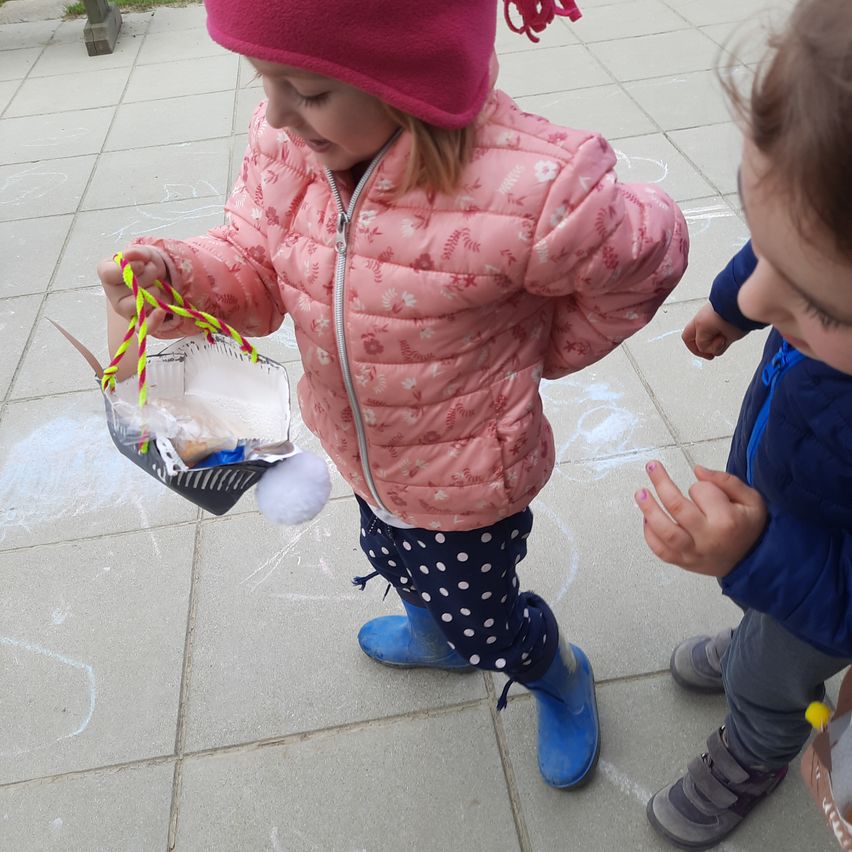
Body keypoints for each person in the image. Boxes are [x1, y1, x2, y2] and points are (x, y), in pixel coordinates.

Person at [99, 0, 687, 789]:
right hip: (364, 449)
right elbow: (253, 259)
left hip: (470, 478)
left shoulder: (538, 190)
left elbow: (648, 259)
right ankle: (431, 633)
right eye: (262, 80)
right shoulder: (286, 144)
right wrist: (179, 277)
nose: (273, 111)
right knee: (388, 550)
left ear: (409, 79)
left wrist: (543, 351)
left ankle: (554, 671)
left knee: (484, 613)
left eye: (306, 92)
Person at [634, 0, 852, 845]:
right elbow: (787, 248)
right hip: (792, 499)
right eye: (765, 250)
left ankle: (756, 744)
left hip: (826, 588)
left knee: (778, 674)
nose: (766, 301)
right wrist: (735, 299)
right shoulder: (813, 245)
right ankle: (758, 628)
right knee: (768, 629)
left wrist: (757, 554)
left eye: (818, 304)